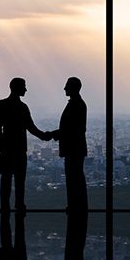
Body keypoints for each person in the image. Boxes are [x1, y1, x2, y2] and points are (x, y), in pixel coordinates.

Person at [0, 77, 51, 212]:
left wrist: (0, 143)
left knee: (6, 179)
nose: (25, 89)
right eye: (23, 87)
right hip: (19, 150)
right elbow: (31, 128)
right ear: (17, 88)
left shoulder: (2, 104)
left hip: (7, 149)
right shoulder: (22, 107)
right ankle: (19, 205)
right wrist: (45, 136)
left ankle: (5, 206)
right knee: (20, 181)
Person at [48, 77, 88, 211]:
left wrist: (52, 134)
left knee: (73, 179)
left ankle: (76, 206)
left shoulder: (76, 104)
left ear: (73, 87)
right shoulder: (77, 103)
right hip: (75, 148)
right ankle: (77, 205)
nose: (64, 88)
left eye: (67, 86)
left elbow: (71, 129)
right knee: (75, 178)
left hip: (73, 148)